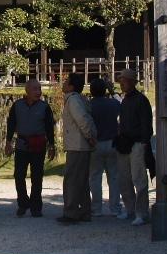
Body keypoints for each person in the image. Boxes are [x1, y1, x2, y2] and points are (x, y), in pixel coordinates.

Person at [5, 79, 55, 217]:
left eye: (39, 89)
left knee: (37, 177)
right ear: (27, 90)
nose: (38, 92)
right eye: (35, 89)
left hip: (38, 146)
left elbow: (49, 128)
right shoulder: (17, 105)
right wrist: (8, 142)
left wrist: (52, 145)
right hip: (21, 145)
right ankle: (23, 203)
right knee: (18, 175)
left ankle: (36, 207)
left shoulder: (45, 107)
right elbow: (11, 124)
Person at [115, 68, 153, 226]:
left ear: (132, 82)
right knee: (124, 178)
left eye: (123, 81)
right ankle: (130, 209)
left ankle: (142, 213)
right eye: (121, 81)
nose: (121, 84)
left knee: (139, 178)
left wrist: (144, 142)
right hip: (124, 143)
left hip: (137, 143)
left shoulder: (141, 100)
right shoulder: (124, 100)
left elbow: (146, 124)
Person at [57, 74, 96, 224]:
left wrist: (89, 136)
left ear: (71, 86)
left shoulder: (73, 100)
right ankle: (85, 211)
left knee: (72, 180)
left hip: (77, 145)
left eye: (66, 82)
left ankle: (71, 212)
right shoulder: (78, 99)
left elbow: (82, 120)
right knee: (81, 180)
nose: (63, 84)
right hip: (80, 145)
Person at [87, 77, 123, 217]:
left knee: (95, 177)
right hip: (112, 142)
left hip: (95, 143)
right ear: (105, 90)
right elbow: (122, 103)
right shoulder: (113, 103)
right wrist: (112, 91)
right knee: (114, 177)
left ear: (91, 91)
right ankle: (115, 208)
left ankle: (96, 208)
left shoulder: (89, 105)